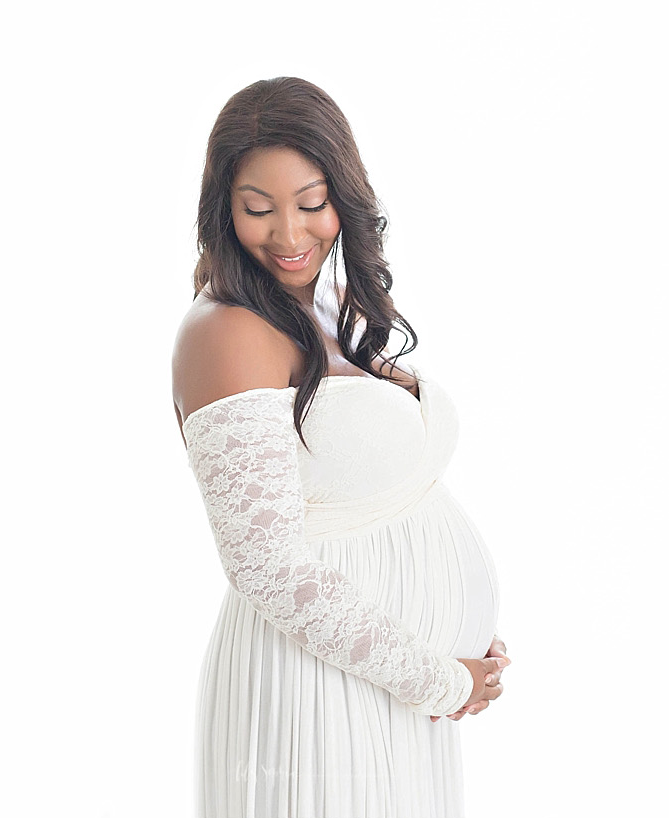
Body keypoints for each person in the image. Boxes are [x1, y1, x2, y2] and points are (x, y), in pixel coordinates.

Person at [172, 77, 508, 817]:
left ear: (344, 195)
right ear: (223, 211)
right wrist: (439, 677)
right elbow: (266, 565)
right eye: (257, 209)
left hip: (388, 692)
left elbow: (375, 497)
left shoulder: (327, 301)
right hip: (313, 698)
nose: (289, 236)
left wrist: (460, 634)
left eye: (310, 203)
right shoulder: (227, 331)